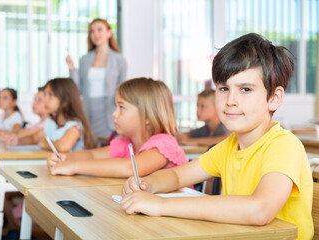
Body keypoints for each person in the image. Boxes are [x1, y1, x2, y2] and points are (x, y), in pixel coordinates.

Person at [121, 33, 313, 240]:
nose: (230, 100)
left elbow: (260, 210)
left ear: (274, 99)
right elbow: (177, 176)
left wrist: (161, 204)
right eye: (223, 88)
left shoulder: (284, 145)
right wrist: (147, 184)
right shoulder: (228, 147)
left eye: (245, 89)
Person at [47, 78, 187, 177]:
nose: (114, 114)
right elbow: (92, 155)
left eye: (122, 107)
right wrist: (65, 158)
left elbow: (129, 168)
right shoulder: (126, 142)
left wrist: (74, 166)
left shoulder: (164, 144)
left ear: (147, 117)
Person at [66, 18, 127, 142]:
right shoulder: (85, 59)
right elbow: (79, 89)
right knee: (90, 145)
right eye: (92, 31)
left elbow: (123, 89)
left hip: (109, 110)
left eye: (99, 30)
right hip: (89, 110)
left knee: (110, 147)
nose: (95, 34)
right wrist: (72, 69)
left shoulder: (119, 60)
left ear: (109, 33)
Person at [11, 78, 95, 151]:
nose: (45, 100)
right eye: (45, 95)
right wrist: (17, 141)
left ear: (65, 99)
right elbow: (34, 138)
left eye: (50, 95)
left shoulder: (74, 125)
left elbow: (64, 146)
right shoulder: (51, 123)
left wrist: (45, 144)